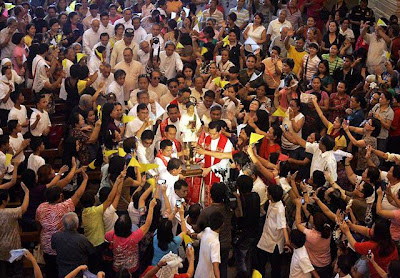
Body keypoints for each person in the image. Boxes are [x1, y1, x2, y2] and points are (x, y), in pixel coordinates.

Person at [51, 212, 96, 278]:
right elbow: (91, 251)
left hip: (62, 272)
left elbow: (53, 247)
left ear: (63, 224)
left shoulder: (56, 237)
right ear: (77, 225)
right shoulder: (82, 239)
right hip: (79, 273)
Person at [194, 211, 224, 278]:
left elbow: (197, 236)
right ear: (222, 224)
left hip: (198, 273)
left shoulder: (206, 230)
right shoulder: (215, 243)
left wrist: (190, 233)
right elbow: (215, 266)